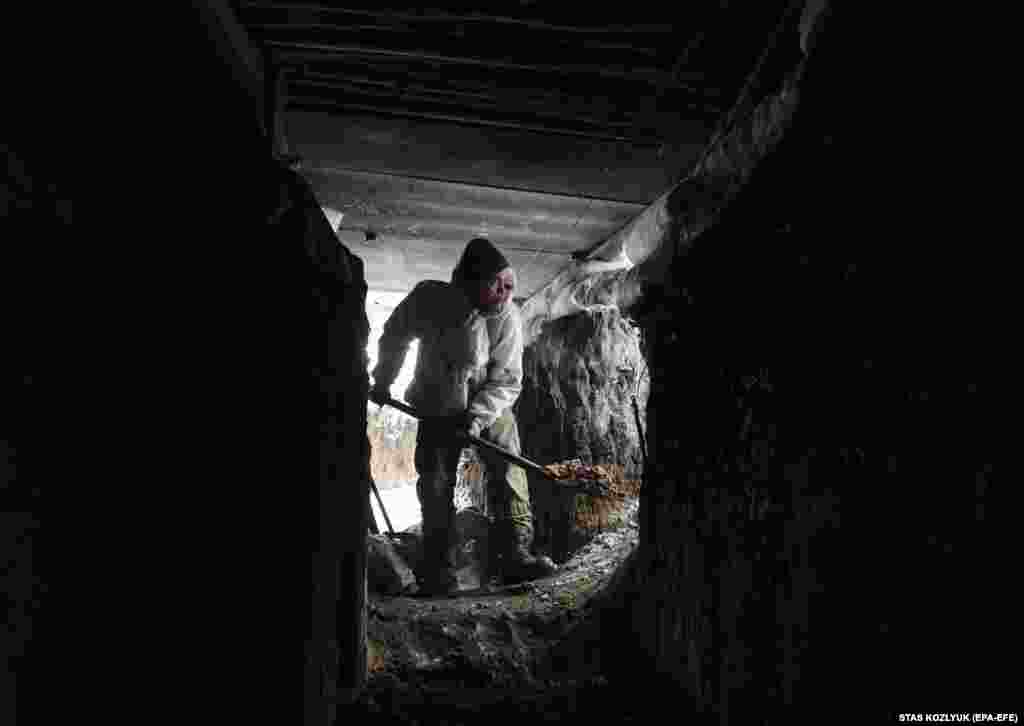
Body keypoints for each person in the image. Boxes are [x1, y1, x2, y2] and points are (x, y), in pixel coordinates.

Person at [369, 237, 556, 595]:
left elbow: (507, 380)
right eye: (495, 285)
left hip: (487, 398)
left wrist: (476, 418)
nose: (504, 293)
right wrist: (384, 378)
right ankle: (439, 570)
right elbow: (395, 335)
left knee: (507, 467)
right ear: (469, 283)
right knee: (435, 480)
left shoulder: (507, 320)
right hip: (437, 399)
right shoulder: (428, 299)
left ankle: (515, 553)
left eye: (509, 285)